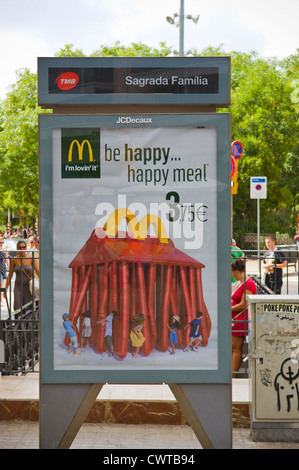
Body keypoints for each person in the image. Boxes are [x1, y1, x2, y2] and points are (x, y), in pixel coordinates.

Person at [231, 259, 257, 378]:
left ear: (237, 271)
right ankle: (233, 373)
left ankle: (233, 375)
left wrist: (228, 309)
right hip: (236, 319)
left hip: (239, 319)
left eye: (232, 272)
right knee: (234, 348)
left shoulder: (248, 283)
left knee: (236, 348)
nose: (232, 275)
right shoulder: (243, 282)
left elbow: (244, 304)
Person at [5, 240, 40, 313]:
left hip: (29, 287)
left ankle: (27, 324)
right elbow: (10, 275)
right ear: (17, 248)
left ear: (26, 247)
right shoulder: (14, 260)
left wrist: (42, 284)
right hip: (18, 288)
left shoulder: (31, 258)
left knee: (28, 309)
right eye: (20, 247)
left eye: (24, 247)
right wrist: (5, 288)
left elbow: (38, 271)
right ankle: (18, 324)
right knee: (17, 308)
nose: (22, 249)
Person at [0, 238, 7, 305]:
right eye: (0, 242)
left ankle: (1, 299)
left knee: (2, 285)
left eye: (2, 242)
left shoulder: (4, 249)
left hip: (2, 267)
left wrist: (10, 268)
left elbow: (6, 259)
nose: (1, 244)